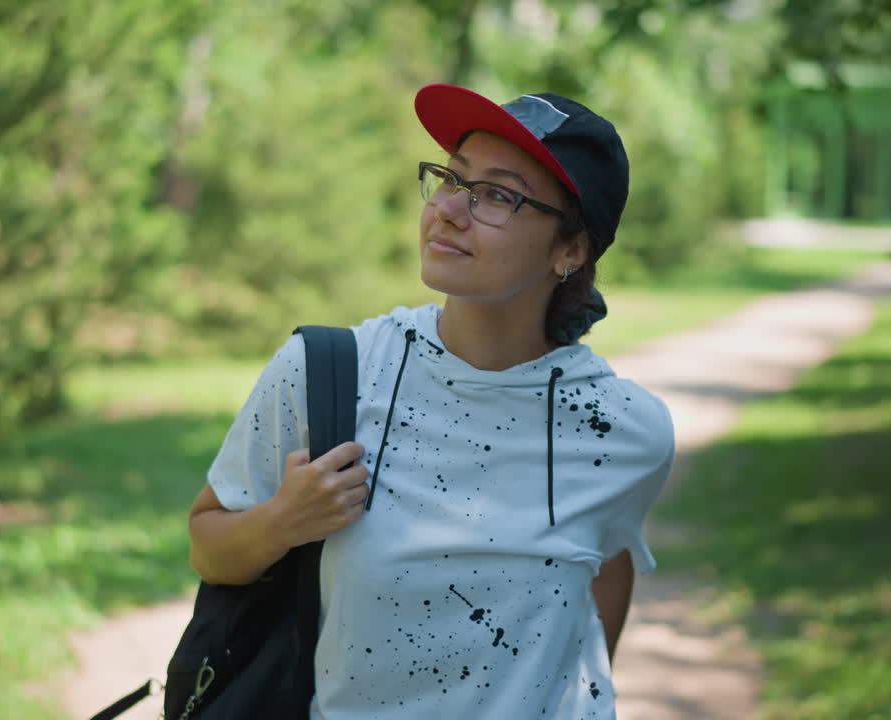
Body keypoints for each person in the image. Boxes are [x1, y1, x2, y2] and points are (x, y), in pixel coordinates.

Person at [187, 83, 675, 719]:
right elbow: (208, 546)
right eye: (452, 178)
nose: (450, 209)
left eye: (498, 195)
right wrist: (283, 521)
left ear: (571, 250)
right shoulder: (330, 373)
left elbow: (608, 559)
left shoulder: (625, 431)